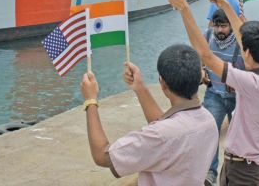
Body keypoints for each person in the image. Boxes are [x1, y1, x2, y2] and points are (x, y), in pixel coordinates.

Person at [169, 0, 259, 186]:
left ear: (247, 53)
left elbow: (205, 54)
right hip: (253, 164)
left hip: (242, 170)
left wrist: (184, 8)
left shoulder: (251, 83)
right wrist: (223, 4)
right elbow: (244, 39)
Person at [80, 44, 218, 184]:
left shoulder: (160, 136)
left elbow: (102, 156)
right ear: (200, 77)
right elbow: (168, 130)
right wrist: (140, 88)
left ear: (163, 84)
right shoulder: (209, 121)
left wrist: (90, 100)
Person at [199, 9, 244, 185]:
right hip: (214, 94)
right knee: (209, 132)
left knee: (240, 136)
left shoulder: (241, 42)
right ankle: (210, 172)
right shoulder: (208, 35)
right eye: (217, 26)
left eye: (224, 26)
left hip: (238, 97)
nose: (220, 31)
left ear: (232, 26)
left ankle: (236, 172)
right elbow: (200, 55)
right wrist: (202, 70)